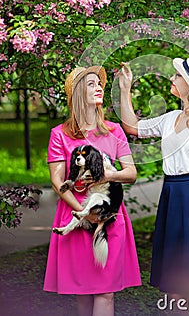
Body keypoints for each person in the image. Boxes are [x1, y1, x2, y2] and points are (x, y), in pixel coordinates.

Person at [118, 55, 189, 301]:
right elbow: (132, 127)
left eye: (178, 75)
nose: (172, 78)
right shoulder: (170, 118)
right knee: (174, 282)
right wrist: (125, 89)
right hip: (171, 196)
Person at [43, 66, 141, 316]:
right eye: (90, 84)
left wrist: (108, 175)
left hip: (110, 217)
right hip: (75, 216)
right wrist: (84, 214)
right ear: (76, 94)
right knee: (84, 293)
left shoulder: (114, 130)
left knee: (105, 292)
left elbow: (130, 173)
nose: (99, 87)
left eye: (99, 83)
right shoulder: (59, 135)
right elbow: (57, 182)